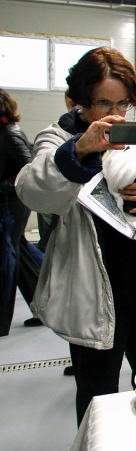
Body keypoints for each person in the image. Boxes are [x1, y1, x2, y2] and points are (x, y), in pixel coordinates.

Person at [15, 47, 136, 424]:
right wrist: (81, 150)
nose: (115, 114)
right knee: (97, 392)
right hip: (92, 292)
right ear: (79, 101)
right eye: (103, 102)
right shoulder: (57, 140)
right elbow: (32, 189)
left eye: (123, 103)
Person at [0, 89, 33, 336]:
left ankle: (2, 321)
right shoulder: (6, 132)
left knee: (8, 259)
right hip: (11, 202)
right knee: (19, 256)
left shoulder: (10, 134)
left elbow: (28, 167)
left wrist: (3, 186)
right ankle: (41, 307)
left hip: (13, 204)